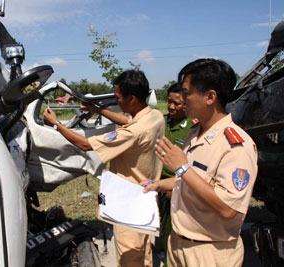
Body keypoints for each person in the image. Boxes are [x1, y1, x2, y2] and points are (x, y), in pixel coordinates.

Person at [43, 69, 165, 267]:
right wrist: (98, 110)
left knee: (129, 257)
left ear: (132, 98)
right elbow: (127, 121)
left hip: (129, 206)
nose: (117, 102)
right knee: (144, 253)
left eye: (118, 98)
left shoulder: (134, 132)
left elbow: (85, 144)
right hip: (147, 198)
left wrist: (56, 123)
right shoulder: (155, 117)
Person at [143, 58, 258, 267]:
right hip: (179, 245)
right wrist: (159, 185)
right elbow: (192, 182)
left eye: (187, 93)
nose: (182, 99)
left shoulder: (236, 145)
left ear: (210, 97)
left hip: (209, 252)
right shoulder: (194, 135)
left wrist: (183, 168)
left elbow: (228, 208)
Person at [158, 82, 193, 260]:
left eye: (176, 103)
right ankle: (166, 257)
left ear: (186, 103)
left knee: (177, 230)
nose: (171, 107)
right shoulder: (162, 121)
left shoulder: (194, 127)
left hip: (179, 187)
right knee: (164, 227)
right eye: (169, 102)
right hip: (160, 186)